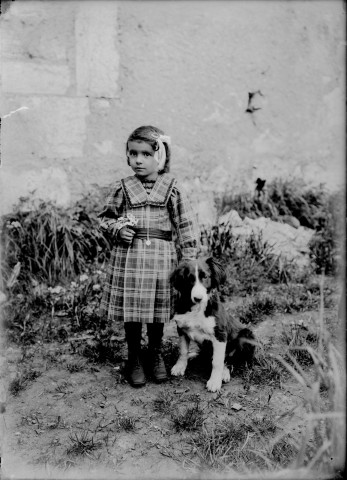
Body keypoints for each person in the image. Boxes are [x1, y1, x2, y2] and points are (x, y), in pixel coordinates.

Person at [98, 125, 200, 387]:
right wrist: (118, 229)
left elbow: (186, 226)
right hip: (129, 259)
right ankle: (133, 357)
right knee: (132, 310)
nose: (138, 160)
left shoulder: (171, 189)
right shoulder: (123, 188)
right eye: (133, 154)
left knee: (156, 309)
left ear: (160, 156)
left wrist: (188, 259)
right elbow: (105, 219)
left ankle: (154, 354)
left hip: (161, 259)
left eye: (145, 154)